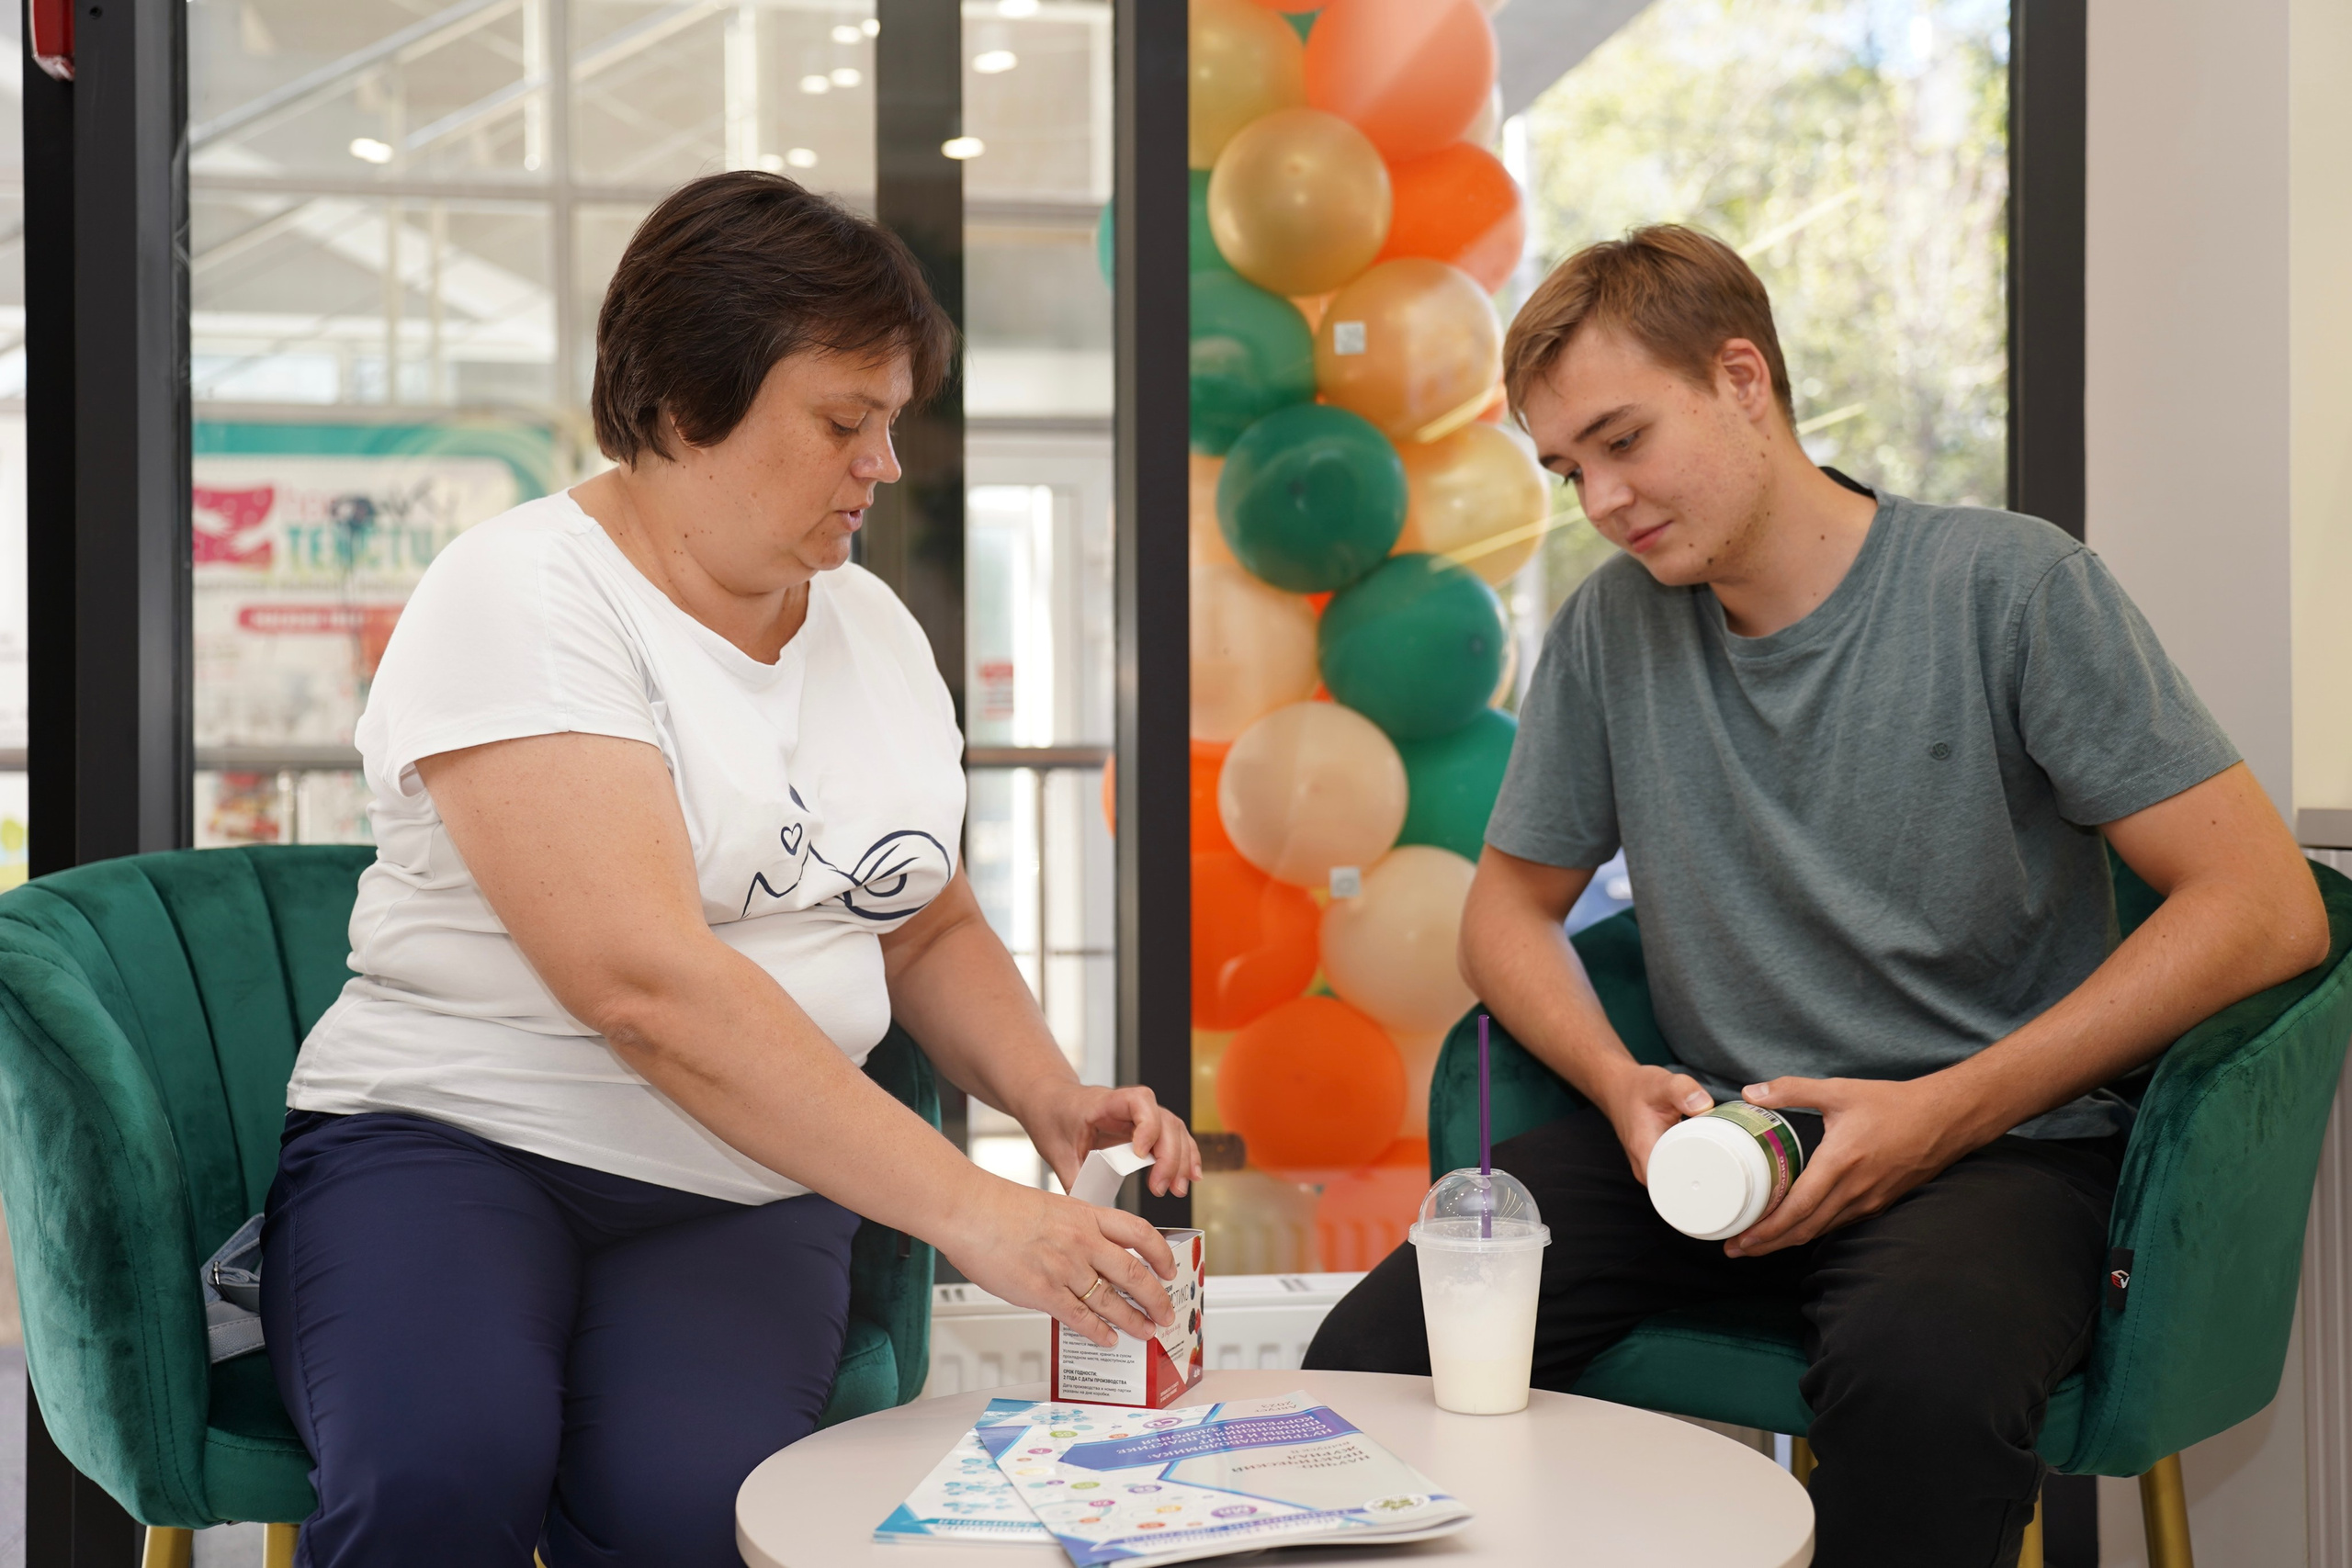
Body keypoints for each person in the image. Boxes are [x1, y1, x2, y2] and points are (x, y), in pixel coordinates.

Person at [1302, 224, 2329, 1567]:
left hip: (1998, 1151)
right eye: (1568, 469)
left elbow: (2267, 906)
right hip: (1723, 1145)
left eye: (1623, 440)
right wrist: (1623, 1086)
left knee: (1920, 1384)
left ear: (1743, 377)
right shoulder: (1614, 630)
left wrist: (1938, 1114)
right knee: (1369, 1361)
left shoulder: (2011, 587)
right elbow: (1503, 917)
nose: (1601, 499)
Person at [257, 171, 1201, 1568]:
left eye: (890, 423)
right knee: (445, 1471)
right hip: (460, 1139)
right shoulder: (523, 591)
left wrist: (1047, 1097)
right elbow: (641, 984)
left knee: (698, 1513)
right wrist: (972, 1208)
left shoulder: (874, 628)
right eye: (843, 422)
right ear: (685, 404)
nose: (881, 465)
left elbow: (923, 920)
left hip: (743, 1184)